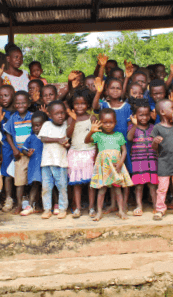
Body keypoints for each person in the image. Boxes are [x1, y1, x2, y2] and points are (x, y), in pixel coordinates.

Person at [86, 109, 133, 221]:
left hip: (116, 166)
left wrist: (121, 162)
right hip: (104, 168)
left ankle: (121, 211)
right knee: (102, 190)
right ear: (100, 122)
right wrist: (91, 131)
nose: (108, 125)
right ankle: (99, 212)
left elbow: (124, 150)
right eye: (105, 122)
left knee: (117, 190)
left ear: (115, 122)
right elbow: (86, 140)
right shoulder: (98, 135)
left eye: (110, 122)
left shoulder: (119, 135)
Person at [65, 88, 97, 218]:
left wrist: (96, 154)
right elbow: (68, 135)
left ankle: (91, 208)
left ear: (88, 104)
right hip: (75, 153)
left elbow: (96, 136)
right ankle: (78, 207)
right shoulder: (70, 118)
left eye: (83, 103)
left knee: (91, 183)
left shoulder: (91, 117)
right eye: (77, 103)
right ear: (73, 104)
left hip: (89, 152)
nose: (79, 106)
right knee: (76, 184)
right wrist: (73, 120)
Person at [38, 101, 71, 219]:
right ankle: (47, 209)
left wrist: (66, 144)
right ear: (50, 115)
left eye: (62, 113)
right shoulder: (46, 125)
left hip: (61, 162)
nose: (60, 115)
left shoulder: (66, 125)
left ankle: (62, 208)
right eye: (57, 113)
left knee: (62, 186)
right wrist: (58, 140)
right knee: (46, 187)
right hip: (47, 162)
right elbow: (43, 138)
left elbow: (67, 142)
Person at [1, 90, 33, 213]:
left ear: (29, 103)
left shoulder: (32, 116)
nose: (20, 105)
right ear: (14, 105)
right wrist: (14, 148)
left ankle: (31, 203)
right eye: (18, 103)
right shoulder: (13, 118)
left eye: (23, 103)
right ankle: (19, 204)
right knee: (19, 180)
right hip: (19, 155)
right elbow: (8, 134)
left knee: (31, 180)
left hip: (31, 154)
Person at [127, 99, 158, 216]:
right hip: (138, 161)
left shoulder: (153, 127)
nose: (144, 117)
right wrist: (135, 125)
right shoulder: (132, 127)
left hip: (152, 160)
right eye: (141, 115)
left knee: (152, 185)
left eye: (146, 115)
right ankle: (139, 205)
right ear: (135, 116)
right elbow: (129, 138)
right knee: (139, 185)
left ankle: (156, 205)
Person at [19, 111, 48, 216]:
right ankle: (30, 205)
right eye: (33, 126)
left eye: (38, 125)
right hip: (35, 166)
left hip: (46, 165)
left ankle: (52, 206)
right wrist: (28, 153)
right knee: (35, 185)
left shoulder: (48, 137)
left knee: (48, 186)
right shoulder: (31, 138)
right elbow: (23, 149)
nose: (36, 128)